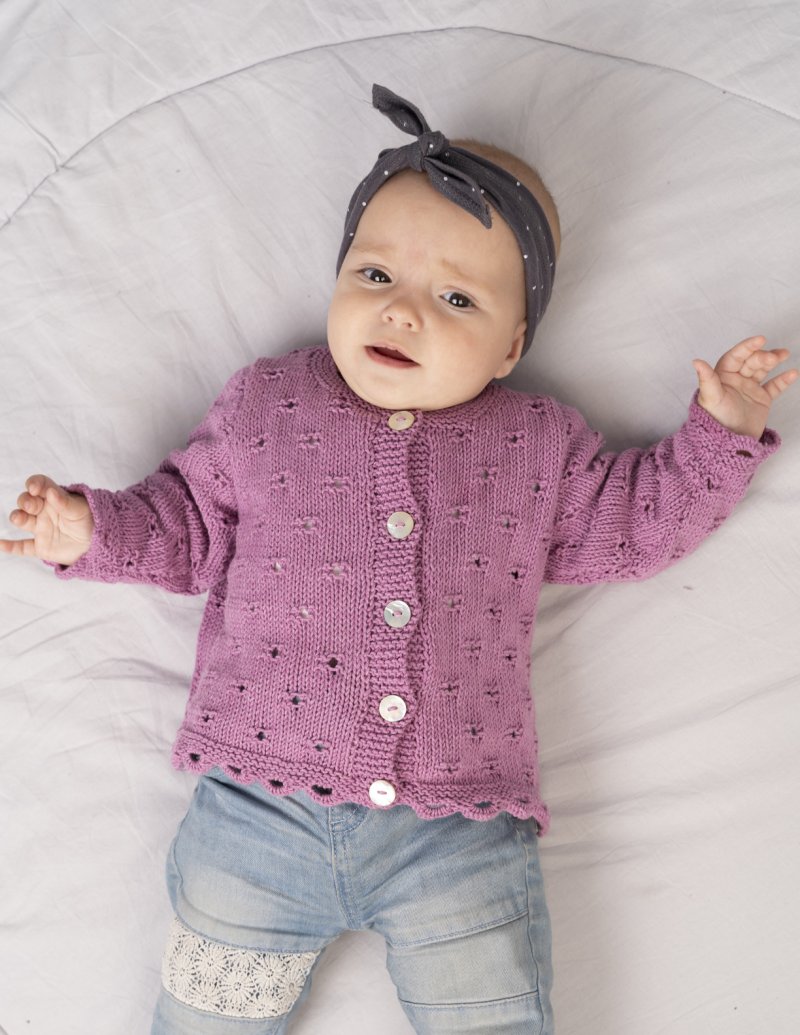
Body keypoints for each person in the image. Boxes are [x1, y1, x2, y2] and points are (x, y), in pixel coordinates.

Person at [1, 85, 796, 1035]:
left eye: (455, 298)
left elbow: (632, 524)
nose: (403, 312)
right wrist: (89, 530)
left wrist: (718, 436)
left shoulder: (537, 444)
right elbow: (186, 524)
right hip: (258, 811)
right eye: (375, 275)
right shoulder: (267, 405)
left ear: (510, 346)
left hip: (458, 829)